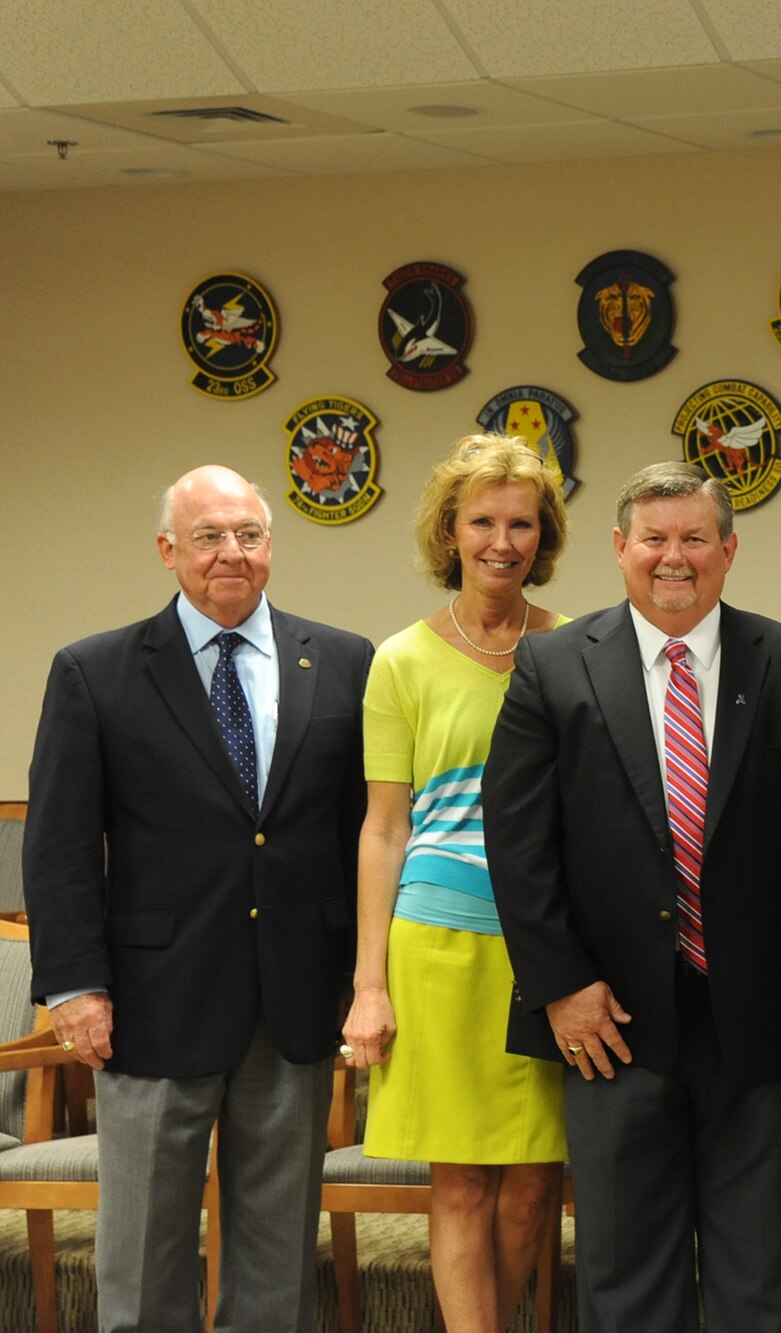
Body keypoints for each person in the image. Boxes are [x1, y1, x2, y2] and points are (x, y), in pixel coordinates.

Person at [484, 461, 781, 1333]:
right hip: (609, 1021)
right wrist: (561, 986)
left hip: (760, 1019)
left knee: (762, 1275)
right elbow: (519, 841)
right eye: (654, 539)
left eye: (694, 538)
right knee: (625, 1273)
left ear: (729, 549)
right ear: (620, 549)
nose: (673, 557)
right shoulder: (550, 665)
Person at [22, 465, 371, 1332]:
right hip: (149, 1003)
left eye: (248, 534)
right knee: (144, 1257)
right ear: (168, 550)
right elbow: (61, 842)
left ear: (270, 546)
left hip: (294, 999)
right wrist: (74, 987)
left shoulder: (344, 659)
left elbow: (361, 831)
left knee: (277, 1259)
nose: (231, 554)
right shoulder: (94, 670)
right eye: (210, 536)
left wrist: (365, 977)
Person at [340, 436, 570, 1331]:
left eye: (521, 522)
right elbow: (385, 825)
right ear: (450, 529)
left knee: (531, 1187)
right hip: (436, 947)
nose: (501, 541)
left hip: (547, 952)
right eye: (482, 521)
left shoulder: (579, 644)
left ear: (542, 534)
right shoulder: (400, 659)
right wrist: (368, 984)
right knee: (465, 1183)